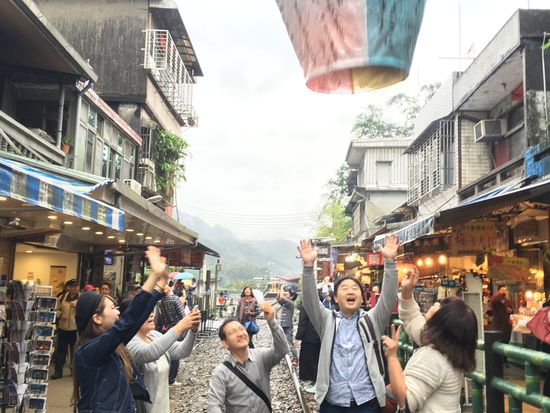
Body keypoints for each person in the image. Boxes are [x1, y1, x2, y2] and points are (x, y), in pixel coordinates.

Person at [299, 236, 399, 413]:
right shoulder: (326, 320)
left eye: (355, 289)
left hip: (366, 402)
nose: (350, 291)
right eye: (344, 288)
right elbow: (309, 301)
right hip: (332, 402)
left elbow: (388, 298)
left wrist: (390, 262)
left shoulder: (372, 320)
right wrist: (308, 267)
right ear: (336, 298)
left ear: (362, 297)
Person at [71, 246, 168, 412]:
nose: (117, 312)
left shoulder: (109, 344)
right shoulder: (88, 351)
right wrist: (153, 275)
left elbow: (135, 320)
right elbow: (128, 321)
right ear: (97, 318)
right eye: (112, 308)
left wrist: (159, 287)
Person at [381, 269, 478, 412]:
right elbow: (412, 318)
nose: (435, 304)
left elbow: (405, 400)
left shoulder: (432, 357)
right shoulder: (446, 347)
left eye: (440, 306)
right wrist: (406, 291)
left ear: (442, 320)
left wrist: (392, 357)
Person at [207, 302, 289, 412]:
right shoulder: (221, 373)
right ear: (225, 343)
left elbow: (282, 350)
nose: (240, 334)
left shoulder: (261, 357)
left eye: (241, 329)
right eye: (233, 332)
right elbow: (213, 406)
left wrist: (272, 321)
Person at [124, 298, 201, 413]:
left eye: (150, 310)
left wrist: (193, 330)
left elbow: (182, 351)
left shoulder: (154, 335)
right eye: (145, 311)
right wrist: (180, 326)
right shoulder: (128, 343)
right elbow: (150, 353)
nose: (151, 314)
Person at [155, 285, 188, 386]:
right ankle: (172, 378)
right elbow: (183, 316)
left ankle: (167, 376)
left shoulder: (162, 301)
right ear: (167, 289)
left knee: (169, 351)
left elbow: (163, 318)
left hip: (168, 328)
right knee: (176, 352)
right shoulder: (175, 299)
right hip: (178, 327)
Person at [52, 279, 79, 379]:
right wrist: (60, 315)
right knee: (60, 351)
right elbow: (55, 310)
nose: (75, 288)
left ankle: (74, 372)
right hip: (63, 328)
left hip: (75, 329)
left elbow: (85, 310)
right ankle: (58, 372)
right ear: (68, 287)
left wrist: (78, 305)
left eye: (76, 286)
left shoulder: (81, 298)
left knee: (75, 352)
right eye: (73, 286)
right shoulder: (62, 297)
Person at [296, 302, 321, 394]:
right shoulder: (319, 304)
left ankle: (316, 383)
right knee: (317, 360)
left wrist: (298, 337)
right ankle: (316, 382)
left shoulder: (306, 305)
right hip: (319, 336)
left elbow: (302, 322)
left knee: (310, 361)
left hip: (309, 337)